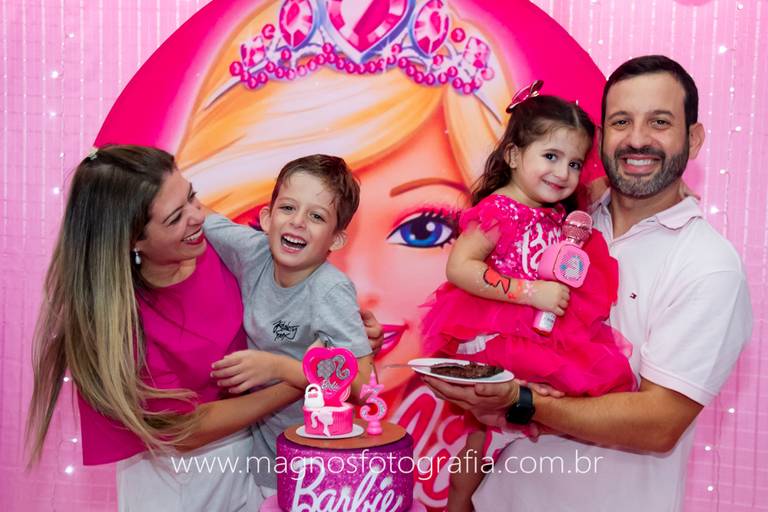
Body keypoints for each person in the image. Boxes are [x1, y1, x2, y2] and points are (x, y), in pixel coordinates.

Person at [423, 55, 753, 511]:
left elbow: (659, 423)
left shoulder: (708, 264)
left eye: (659, 122)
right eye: (621, 122)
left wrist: (521, 401)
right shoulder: (563, 217)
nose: (637, 139)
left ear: (692, 140)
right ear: (602, 138)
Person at [25, 145, 382, 511]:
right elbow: (185, 431)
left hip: (272, 463)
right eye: (175, 218)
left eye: (192, 196)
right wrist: (305, 375)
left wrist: (340, 347)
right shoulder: (123, 320)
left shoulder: (231, 247)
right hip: (177, 482)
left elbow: (358, 380)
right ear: (133, 239)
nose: (198, 216)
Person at [421, 92, 635, 512]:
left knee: (504, 435)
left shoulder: (556, 213)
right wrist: (529, 292)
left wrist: (671, 186)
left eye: (574, 163)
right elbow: (460, 267)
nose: (563, 173)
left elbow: (603, 184)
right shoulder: (499, 210)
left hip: (541, 333)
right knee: (483, 437)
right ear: (514, 155)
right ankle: (459, 502)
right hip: (498, 332)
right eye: (551, 156)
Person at [203, 154, 375, 493]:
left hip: (318, 461)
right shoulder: (253, 251)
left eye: (316, 216)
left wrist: (279, 368)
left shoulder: (329, 290)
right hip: (264, 454)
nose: (297, 222)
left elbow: (364, 388)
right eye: (288, 208)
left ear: (336, 239)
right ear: (267, 218)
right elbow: (198, 214)